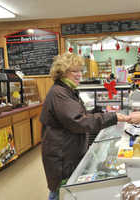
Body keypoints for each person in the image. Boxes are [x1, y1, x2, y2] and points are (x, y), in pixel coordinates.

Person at [39, 52, 125, 200]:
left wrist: (94, 112)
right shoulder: (60, 93)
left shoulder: (67, 90)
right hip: (61, 154)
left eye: (80, 70)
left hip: (66, 150)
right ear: (63, 72)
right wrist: (112, 117)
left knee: (62, 191)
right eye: (75, 71)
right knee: (60, 191)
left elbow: (73, 116)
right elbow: (78, 121)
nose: (80, 74)